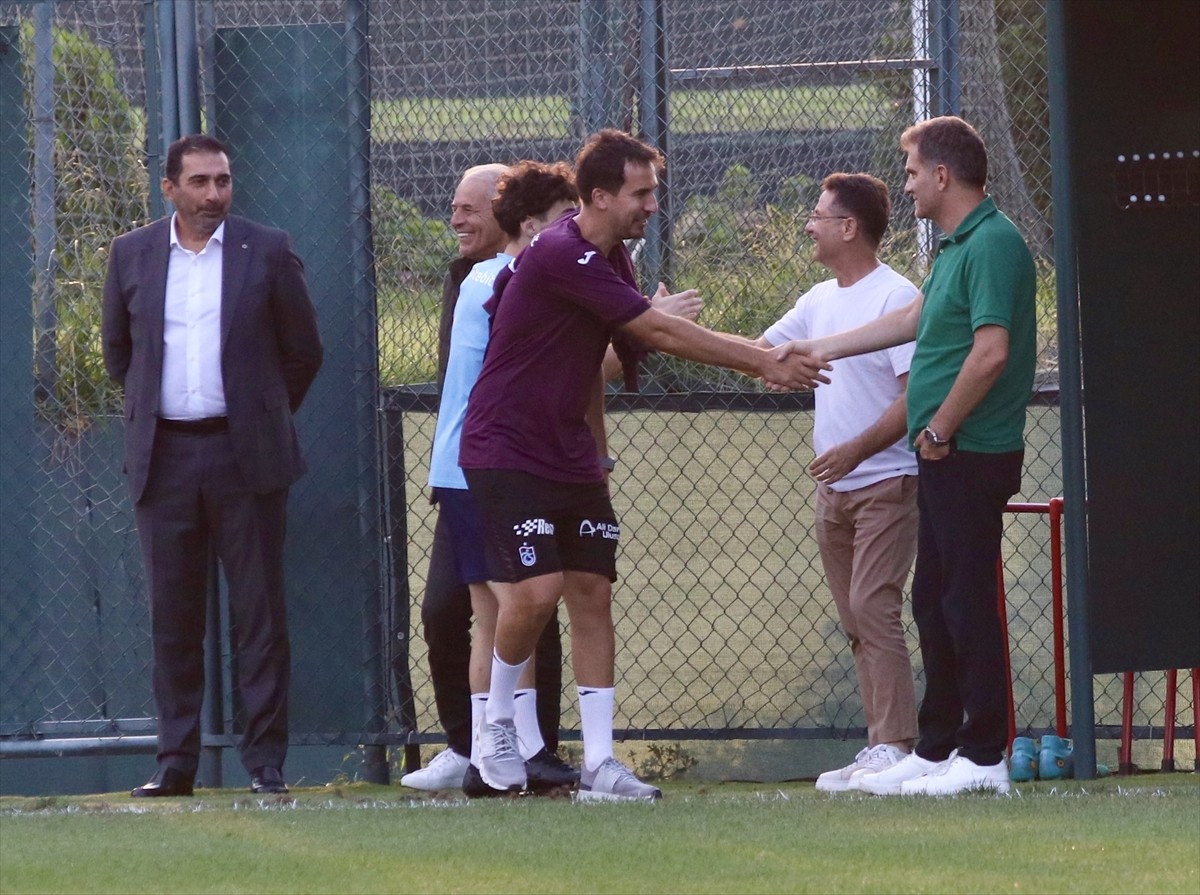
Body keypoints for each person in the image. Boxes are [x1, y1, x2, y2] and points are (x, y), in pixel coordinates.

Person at [459, 129, 829, 800]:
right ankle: (497, 724)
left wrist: (594, 453)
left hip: (569, 454)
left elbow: (594, 363)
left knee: (593, 593)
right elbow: (655, 330)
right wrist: (763, 359)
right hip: (505, 448)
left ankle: (600, 762)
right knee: (537, 595)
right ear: (598, 196)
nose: (652, 204)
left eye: (654, 192)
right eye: (641, 193)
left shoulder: (611, 259)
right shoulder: (563, 251)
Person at [776, 116, 1036, 796]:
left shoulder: (995, 243)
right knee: (933, 600)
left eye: (914, 169)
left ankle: (983, 758)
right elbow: (915, 321)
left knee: (966, 599)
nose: (908, 181)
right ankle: (937, 745)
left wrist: (942, 425)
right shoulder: (956, 245)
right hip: (944, 453)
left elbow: (992, 351)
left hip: (971, 450)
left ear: (944, 175)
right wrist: (821, 350)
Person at [101, 134, 323, 797]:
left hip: (245, 454)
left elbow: (303, 351)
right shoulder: (132, 254)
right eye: (198, 182)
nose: (212, 194)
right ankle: (175, 763)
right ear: (168, 187)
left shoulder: (268, 248)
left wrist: (260, 412)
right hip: (163, 457)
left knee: (259, 615)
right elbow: (120, 355)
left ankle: (265, 764)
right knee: (173, 617)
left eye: (222, 181)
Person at [401, 163, 569, 792]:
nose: (571, 234)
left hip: (483, 465)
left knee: (507, 606)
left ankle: (502, 753)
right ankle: (505, 752)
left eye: (468, 207)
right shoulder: (504, 280)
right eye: (561, 222)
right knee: (510, 603)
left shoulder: (492, 278)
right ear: (529, 224)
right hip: (485, 467)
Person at [752, 173, 920, 791]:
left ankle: (895, 745)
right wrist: (661, 321)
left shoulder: (896, 296)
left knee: (874, 607)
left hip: (887, 482)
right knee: (855, 617)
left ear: (849, 227)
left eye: (819, 215)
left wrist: (856, 449)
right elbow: (760, 354)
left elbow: (913, 401)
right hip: (835, 490)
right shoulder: (817, 300)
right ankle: (880, 745)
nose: (809, 224)